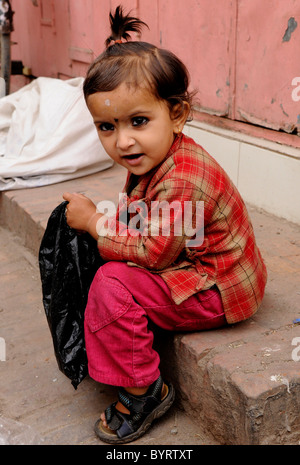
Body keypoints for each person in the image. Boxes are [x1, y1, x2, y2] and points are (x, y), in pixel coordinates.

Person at [63, 5, 267, 444]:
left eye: (138, 121)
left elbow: (155, 253)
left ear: (176, 113)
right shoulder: (156, 156)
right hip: (196, 263)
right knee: (107, 254)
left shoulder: (185, 178)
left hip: (218, 287)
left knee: (111, 284)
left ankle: (144, 392)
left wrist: (97, 224)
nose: (123, 140)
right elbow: (147, 219)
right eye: (106, 126)